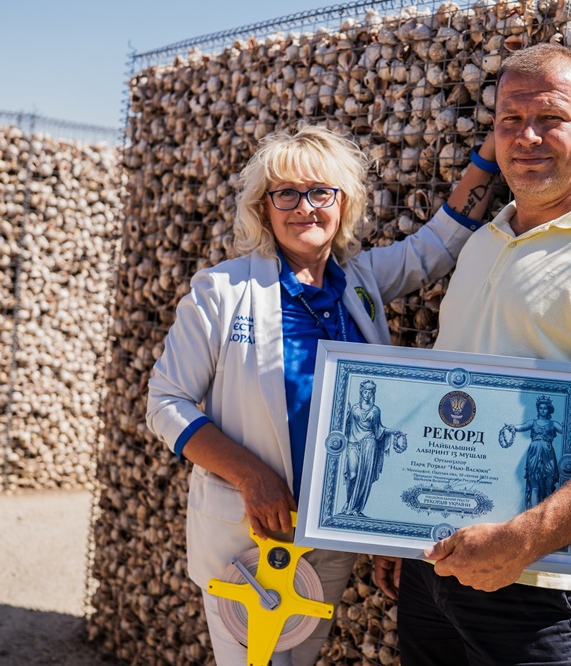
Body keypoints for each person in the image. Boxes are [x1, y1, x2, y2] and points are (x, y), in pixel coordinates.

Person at [373, 43, 571, 665]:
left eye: (551, 119)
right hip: (433, 564)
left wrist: (524, 540)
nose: (527, 137)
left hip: (537, 586)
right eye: (510, 121)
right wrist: (398, 522)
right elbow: (447, 397)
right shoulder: (483, 243)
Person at [145, 124, 497, 666]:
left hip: (333, 534)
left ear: (344, 202)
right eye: (285, 193)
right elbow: (166, 401)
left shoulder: (361, 281)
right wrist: (251, 476)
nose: (304, 208)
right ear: (263, 208)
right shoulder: (222, 291)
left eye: (320, 192)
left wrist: (492, 152)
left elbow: (437, 245)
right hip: (250, 531)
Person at [341, 379, 403, 516]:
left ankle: (356, 508)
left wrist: (394, 431)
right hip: (353, 442)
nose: (367, 394)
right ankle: (348, 502)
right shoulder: (354, 408)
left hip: (369, 444)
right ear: (361, 392)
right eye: (365, 392)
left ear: (373, 393)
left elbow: (379, 430)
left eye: (370, 392)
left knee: (364, 477)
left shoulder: (375, 411)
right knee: (352, 475)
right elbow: (345, 424)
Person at [503, 395, 564, 511]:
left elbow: (565, 431)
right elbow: (521, 427)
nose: (542, 410)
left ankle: (547, 512)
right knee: (534, 484)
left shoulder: (553, 424)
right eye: (540, 408)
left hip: (548, 454)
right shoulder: (532, 422)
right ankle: (534, 513)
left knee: (549, 483)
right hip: (534, 454)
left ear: (549, 410)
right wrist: (512, 427)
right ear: (538, 409)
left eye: (545, 408)